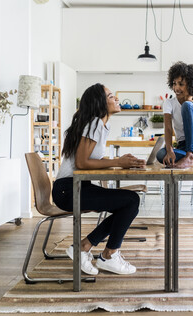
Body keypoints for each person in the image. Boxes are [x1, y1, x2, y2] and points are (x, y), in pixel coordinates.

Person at [52, 83, 146, 275]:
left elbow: (91, 159)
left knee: (128, 202)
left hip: (76, 187)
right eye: (111, 96)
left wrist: (121, 161)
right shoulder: (94, 123)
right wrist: (118, 162)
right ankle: (107, 255)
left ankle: (86, 247)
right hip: (68, 191)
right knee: (130, 201)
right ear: (99, 103)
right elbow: (81, 162)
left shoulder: (100, 124)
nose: (116, 98)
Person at [156, 61, 193, 168]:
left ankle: (190, 155)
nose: (176, 88)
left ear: (192, 85)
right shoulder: (169, 103)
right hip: (183, 145)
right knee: (161, 155)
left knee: (187, 105)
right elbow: (168, 129)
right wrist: (169, 150)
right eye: (174, 83)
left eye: (181, 84)